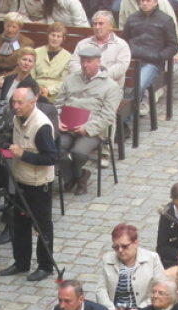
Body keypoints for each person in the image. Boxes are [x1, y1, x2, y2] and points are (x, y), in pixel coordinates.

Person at [2, 88, 59, 283]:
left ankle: (45, 266)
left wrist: (23, 154)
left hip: (38, 185)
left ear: (32, 102)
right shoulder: (17, 119)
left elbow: (51, 157)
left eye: (19, 103)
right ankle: (21, 262)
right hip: (21, 181)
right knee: (20, 224)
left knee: (42, 227)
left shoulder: (41, 126)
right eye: (13, 102)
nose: (15, 107)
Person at [55, 46, 121, 197]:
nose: (85, 65)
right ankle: (78, 176)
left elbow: (108, 116)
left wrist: (88, 128)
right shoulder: (70, 79)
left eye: (89, 61)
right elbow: (57, 104)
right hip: (67, 126)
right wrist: (58, 120)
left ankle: (77, 178)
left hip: (92, 130)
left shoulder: (110, 86)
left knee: (78, 153)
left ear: (99, 62)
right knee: (57, 148)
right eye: (83, 61)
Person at [124, 0, 178, 114]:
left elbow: (173, 46)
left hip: (152, 63)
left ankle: (126, 120)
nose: (144, 3)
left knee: (138, 84)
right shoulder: (132, 18)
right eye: (142, 1)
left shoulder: (165, 20)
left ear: (155, 2)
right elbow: (124, 41)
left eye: (148, 1)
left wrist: (159, 56)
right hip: (132, 61)